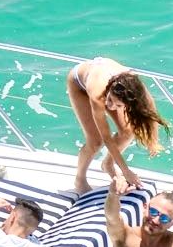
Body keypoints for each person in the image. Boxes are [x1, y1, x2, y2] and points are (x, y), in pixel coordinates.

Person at [66, 57, 167, 195]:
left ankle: (108, 164)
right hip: (79, 83)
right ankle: (80, 179)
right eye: (110, 100)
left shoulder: (135, 86)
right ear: (110, 90)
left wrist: (153, 140)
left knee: (128, 131)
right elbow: (106, 137)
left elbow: (151, 110)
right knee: (95, 142)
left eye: (118, 105)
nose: (111, 106)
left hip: (105, 83)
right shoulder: (99, 95)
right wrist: (126, 170)